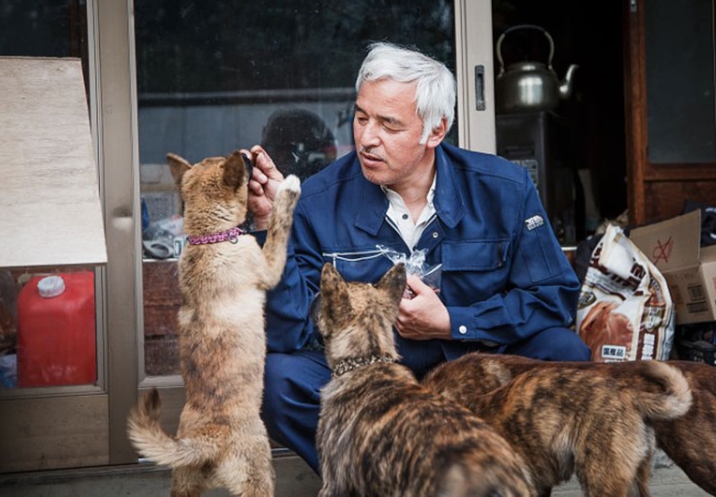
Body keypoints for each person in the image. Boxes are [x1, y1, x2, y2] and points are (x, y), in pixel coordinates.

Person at [245, 41, 591, 473]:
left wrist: (453, 322)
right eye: (360, 117)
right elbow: (288, 334)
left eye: (389, 124)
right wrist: (270, 227)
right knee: (276, 379)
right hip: (370, 388)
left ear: (436, 131)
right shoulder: (316, 200)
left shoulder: (504, 188)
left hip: (474, 375)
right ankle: (376, 479)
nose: (367, 137)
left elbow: (553, 297)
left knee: (565, 354)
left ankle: (499, 478)